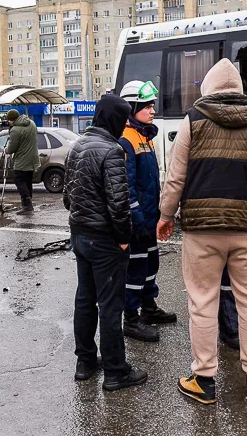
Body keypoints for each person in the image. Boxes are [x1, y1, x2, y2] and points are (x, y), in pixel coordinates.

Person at [158, 59, 247, 404]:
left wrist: (166, 214)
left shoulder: (193, 121)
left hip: (203, 230)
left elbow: (175, 176)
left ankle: (204, 381)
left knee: (202, 303)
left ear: (208, 89)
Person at [64, 94, 148, 392]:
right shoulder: (112, 150)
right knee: (110, 306)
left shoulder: (78, 145)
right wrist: (124, 240)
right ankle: (116, 371)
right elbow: (119, 203)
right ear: (113, 118)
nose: (126, 122)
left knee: (85, 300)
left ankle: (85, 362)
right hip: (104, 241)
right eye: (124, 117)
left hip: (79, 235)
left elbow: (66, 197)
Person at [119, 80, 177, 343]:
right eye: (146, 106)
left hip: (150, 217)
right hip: (138, 220)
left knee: (151, 263)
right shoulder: (126, 140)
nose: (152, 110)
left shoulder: (144, 136)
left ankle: (148, 307)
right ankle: (130, 318)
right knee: (136, 268)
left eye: (152, 105)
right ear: (132, 108)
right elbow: (127, 187)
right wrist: (138, 220)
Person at [4, 109, 39, 215]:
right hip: (33, 158)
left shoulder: (15, 130)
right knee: (27, 180)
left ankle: (27, 204)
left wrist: (5, 149)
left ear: (11, 120)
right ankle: (28, 203)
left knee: (19, 180)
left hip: (22, 160)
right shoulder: (32, 123)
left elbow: (12, 148)